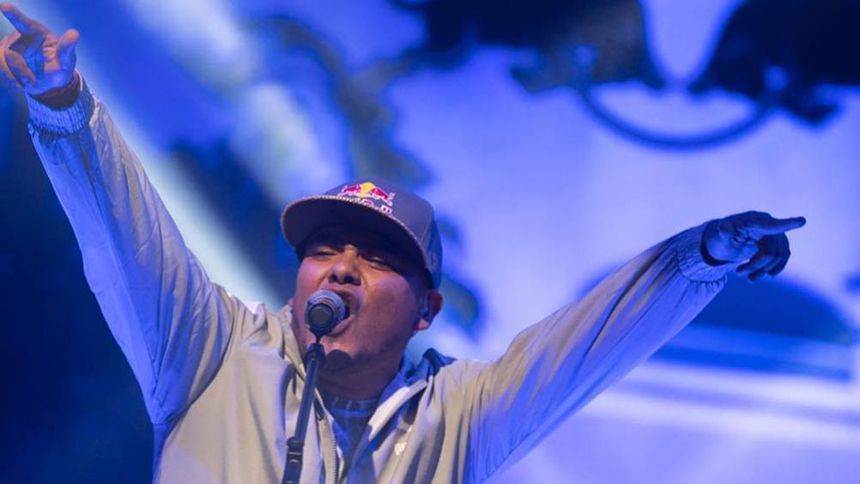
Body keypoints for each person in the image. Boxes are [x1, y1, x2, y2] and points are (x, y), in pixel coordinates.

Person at [1, 3, 806, 483]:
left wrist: (700, 258)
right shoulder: (209, 351)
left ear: (427, 309)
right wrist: (64, 106)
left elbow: (588, 344)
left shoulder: (460, 414)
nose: (342, 268)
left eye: (379, 258)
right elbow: (127, 240)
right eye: (325, 250)